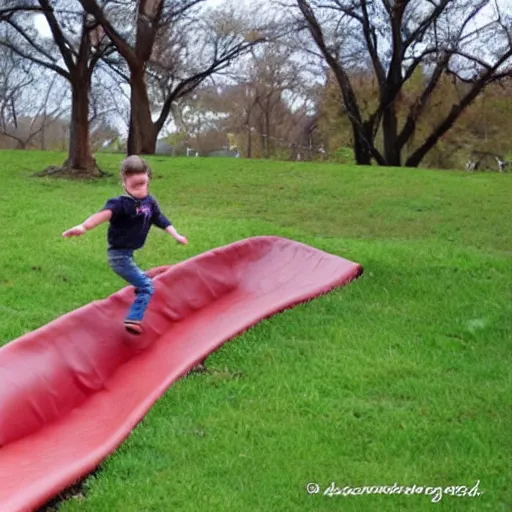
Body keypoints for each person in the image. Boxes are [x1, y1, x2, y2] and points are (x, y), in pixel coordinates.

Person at [62, 155, 188, 335]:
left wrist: (176, 235)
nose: (140, 190)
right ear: (124, 183)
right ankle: (133, 319)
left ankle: (140, 283)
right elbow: (103, 214)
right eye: (134, 186)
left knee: (142, 280)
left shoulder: (149, 202)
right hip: (118, 256)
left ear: (148, 179)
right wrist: (83, 226)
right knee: (147, 286)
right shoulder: (120, 204)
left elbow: (160, 219)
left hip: (128, 253)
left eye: (143, 184)